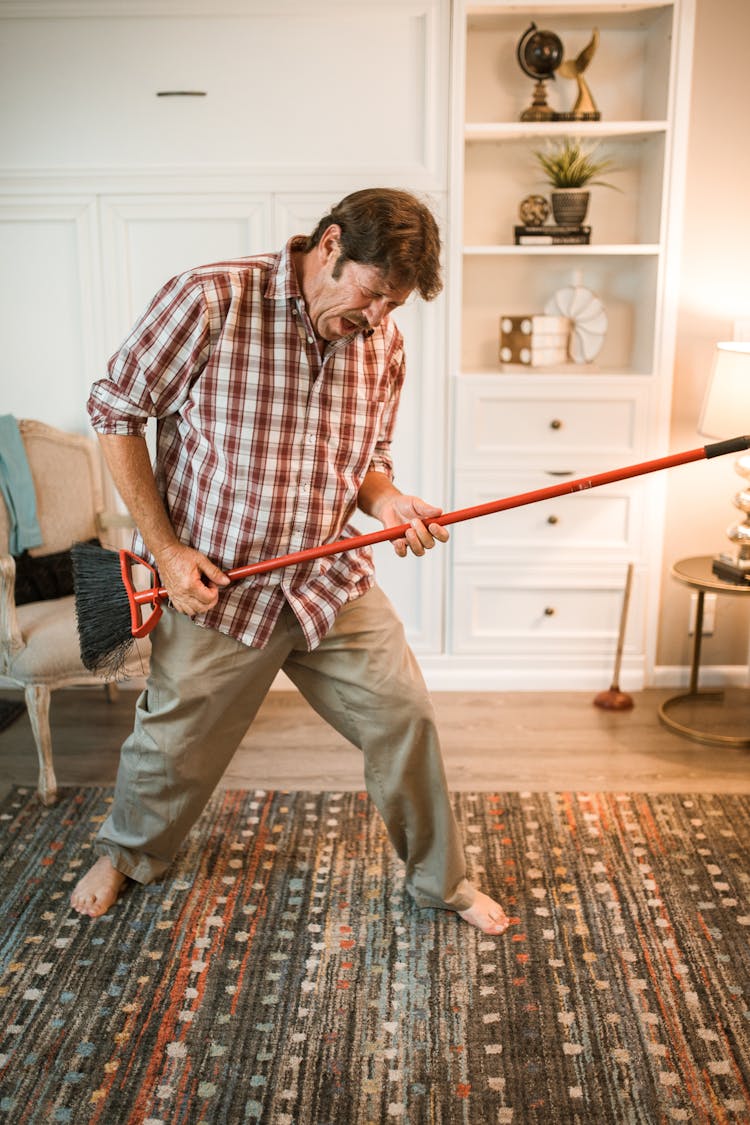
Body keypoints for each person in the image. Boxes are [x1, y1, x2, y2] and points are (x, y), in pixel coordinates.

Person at [70, 188, 510, 936]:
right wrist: (169, 552)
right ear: (330, 245)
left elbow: (367, 463)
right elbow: (115, 408)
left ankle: (442, 881)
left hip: (328, 583)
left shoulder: (382, 343)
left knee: (405, 716)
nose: (377, 320)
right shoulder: (211, 299)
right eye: (374, 295)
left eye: (394, 306)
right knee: (171, 746)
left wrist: (391, 501)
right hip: (220, 586)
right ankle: (125, 851)